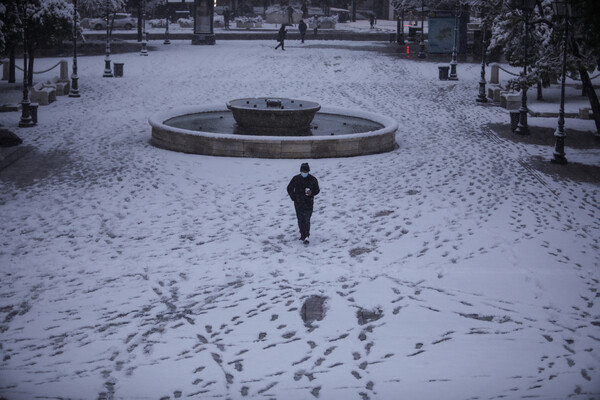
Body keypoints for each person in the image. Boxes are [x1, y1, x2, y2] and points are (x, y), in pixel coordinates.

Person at [287, 163, 320, 244]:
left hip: (308, 203)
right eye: (303, 171)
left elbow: (317, 189)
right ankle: (302, 234)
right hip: (298, 203)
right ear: (300, 171)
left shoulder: (313, 179)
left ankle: (306, 236)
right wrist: (293, 197)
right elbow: (289, 188)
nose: (304, 172)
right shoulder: (296, 179)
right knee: (300, 219)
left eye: (306, 171)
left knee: (307, 219)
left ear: (308, 171)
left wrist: (311, 192)